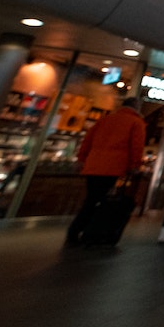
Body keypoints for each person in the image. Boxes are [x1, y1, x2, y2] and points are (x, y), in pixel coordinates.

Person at [66, 95, 146, 246]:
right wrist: (135, 166)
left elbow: (87, 141)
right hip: (114, 167)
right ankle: (89, 233)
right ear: (136, 106)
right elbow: (136, 146)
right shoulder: (136, 122)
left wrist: (81, 159)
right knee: (101, 202)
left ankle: (76, 232)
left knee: (91, 200)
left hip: (93, 165)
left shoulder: (105, 120)